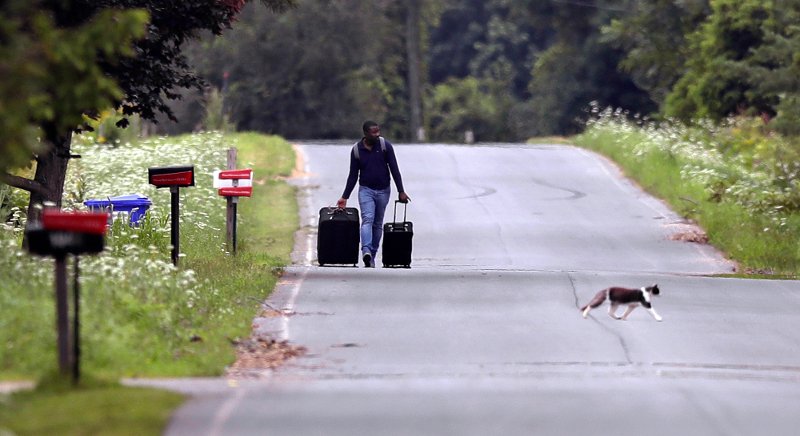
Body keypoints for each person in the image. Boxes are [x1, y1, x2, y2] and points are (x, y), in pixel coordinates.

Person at [338, 121, 410, 267]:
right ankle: (366, 250)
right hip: (366, 190)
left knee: (377, 224)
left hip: (384, 190)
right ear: (365, 133)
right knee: (367, 219)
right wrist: (345, 196)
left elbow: (395, 170)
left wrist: (401, 190)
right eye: (373, 132)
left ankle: (372, 255)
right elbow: (353, 176)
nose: (377, 135)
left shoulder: (385, 146)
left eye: (378, 131)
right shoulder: (357, 150)